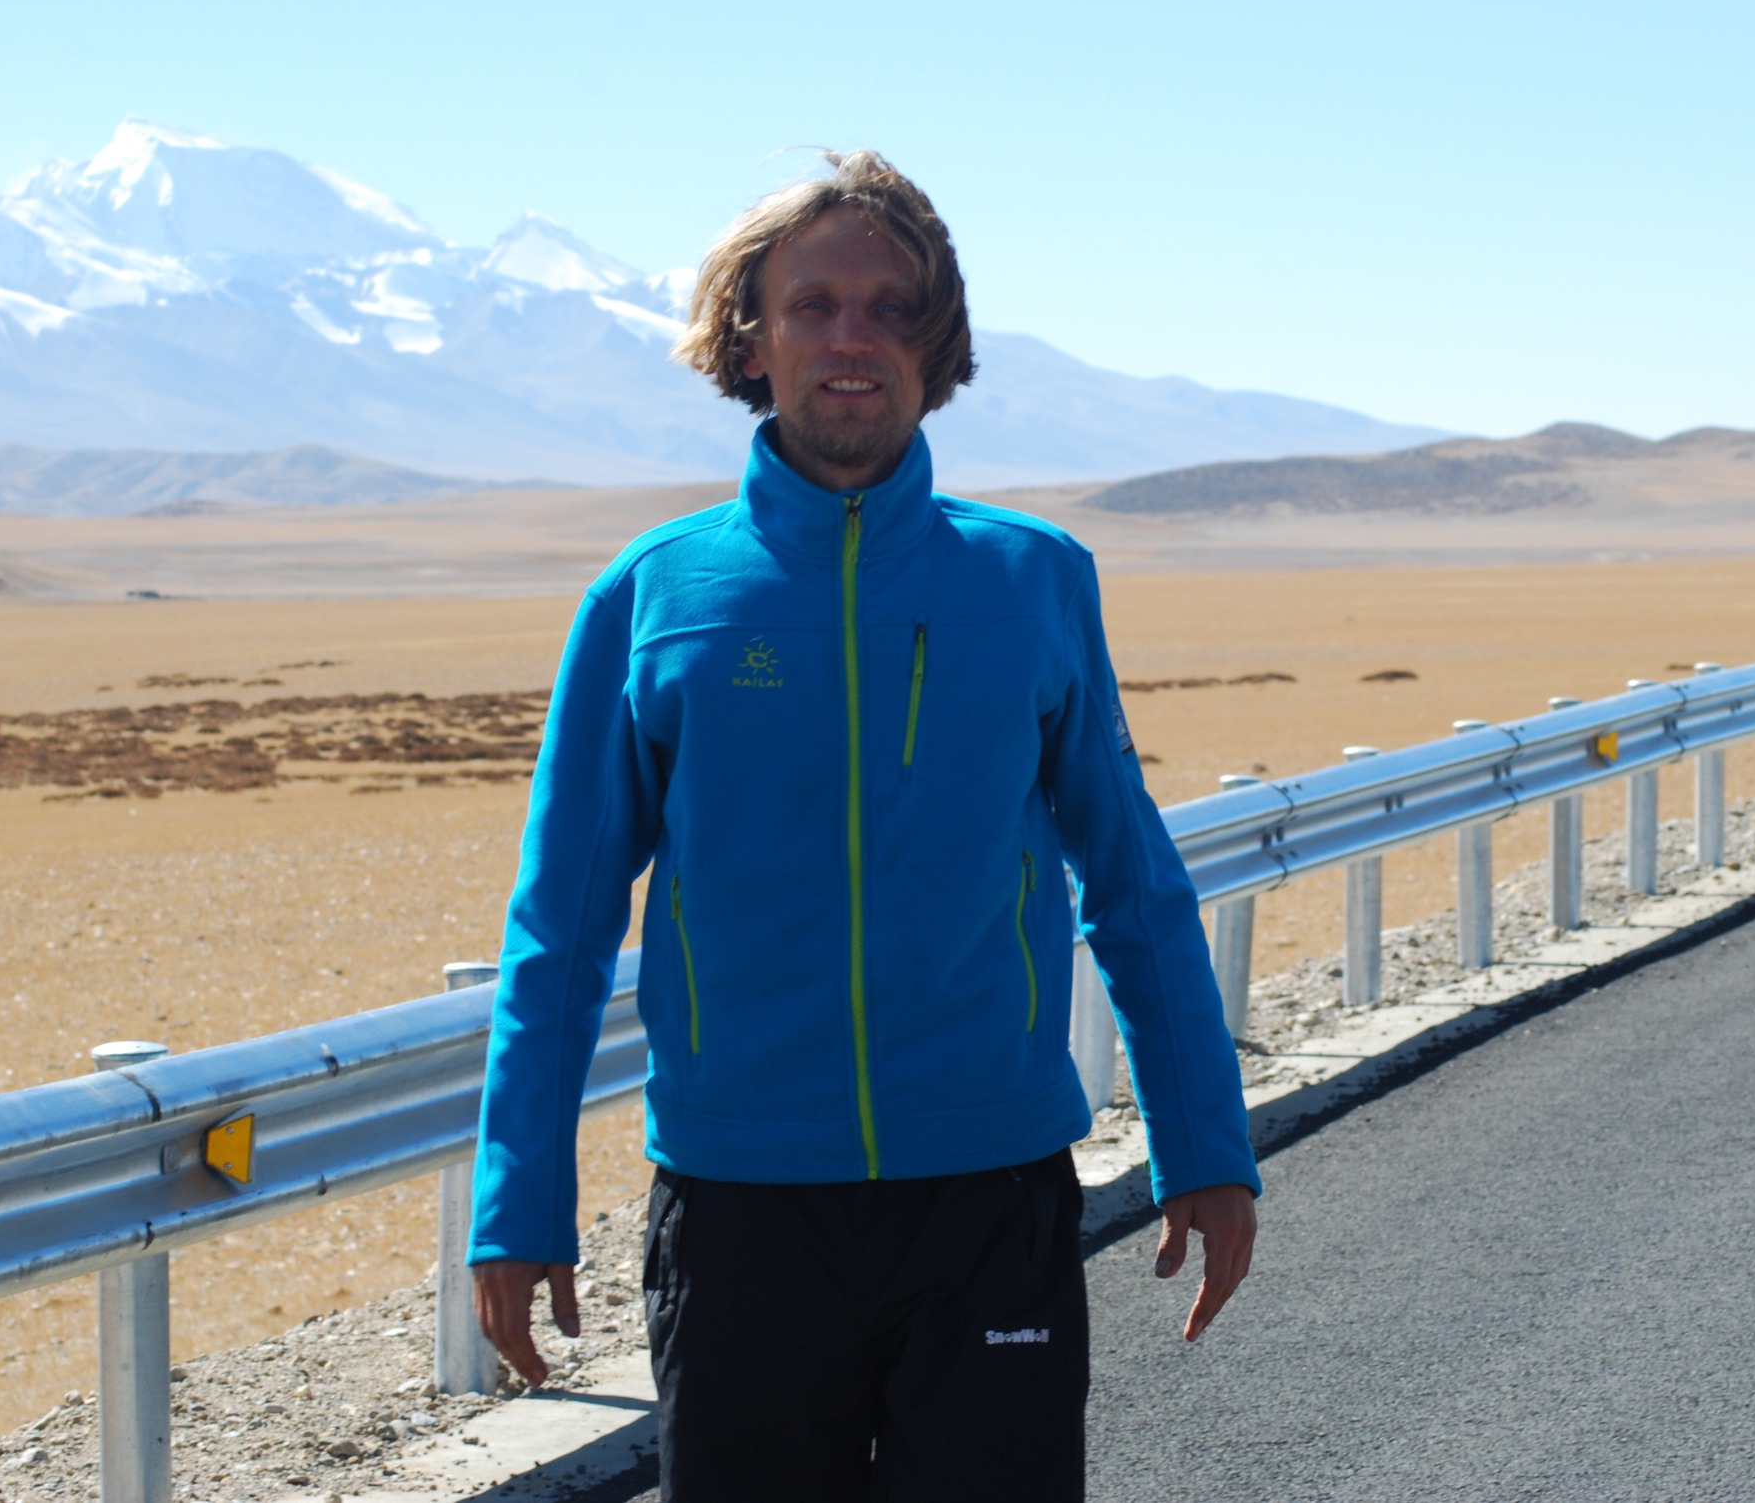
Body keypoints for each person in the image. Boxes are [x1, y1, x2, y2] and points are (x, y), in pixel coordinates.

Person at [466, 150, 1259, 1501]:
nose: (853, 339)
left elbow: (1133, 884)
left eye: (893, 309)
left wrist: (1206, 1146)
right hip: (742, 1213)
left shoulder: (1032, 579)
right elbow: (562, 923)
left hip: (991, 1201)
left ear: (937, 350)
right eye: (814, 305)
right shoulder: (654, 598)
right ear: (750, 341)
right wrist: (518, 1201)